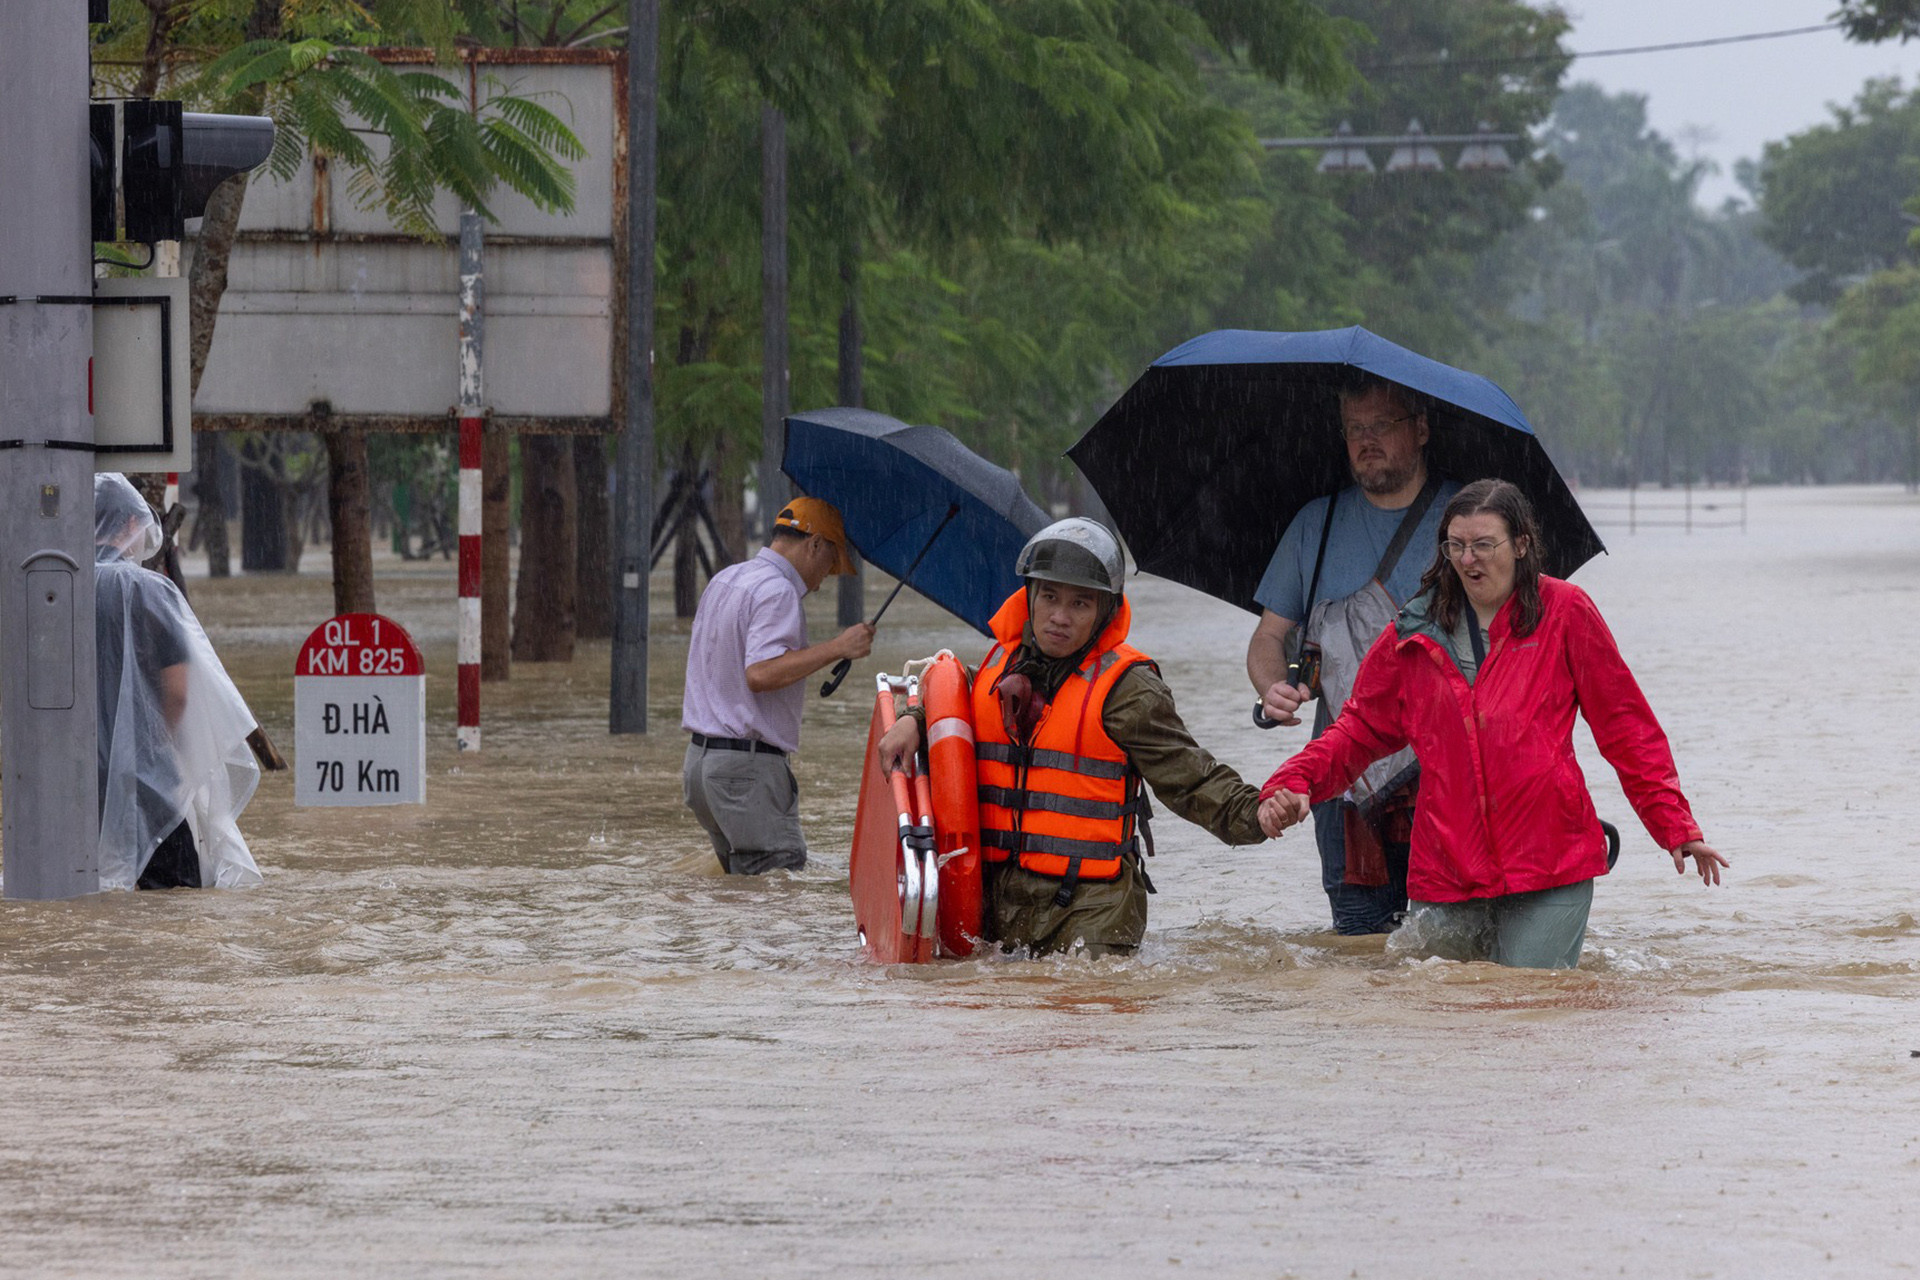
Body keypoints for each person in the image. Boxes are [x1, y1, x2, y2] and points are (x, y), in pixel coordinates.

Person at [1257, 479, 1728, 969]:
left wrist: (1676, 826)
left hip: (1551, 861)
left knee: (1528, 999)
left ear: (1521, 544)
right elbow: (1357, 732)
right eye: (1456, 546)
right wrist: (1292, 783)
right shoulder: (1411, 632)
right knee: (1446, 1008)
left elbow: (1627, 730)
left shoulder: (1566, 611)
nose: (1468, 559)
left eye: (1483, 545)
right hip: (1447, 868)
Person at [876, 518, 1270, 957]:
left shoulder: (1131, 690)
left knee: (1086, 997)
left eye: (1080, 603)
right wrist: (914, 718)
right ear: (1029, 596)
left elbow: (1192, 779)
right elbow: (954, 703)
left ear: (1106, 612)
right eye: (1049, 596)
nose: (1060, 617)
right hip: (1000, 910)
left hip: (1092, 910)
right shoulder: (995, 668)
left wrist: (1258, 813)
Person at [1245, 375, 1461, 935]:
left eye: (1381, 425)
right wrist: (1272, 688)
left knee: (1450, 950)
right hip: (1342, 785)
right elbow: (1268, 637)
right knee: (1360, 952)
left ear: (1421, 429)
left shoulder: (1466, 521)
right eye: (1354, 428)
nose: (1366, 440)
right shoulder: (1314, 526)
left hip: (1446, 777)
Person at [681, 497, 875, 875]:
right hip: (745, 770)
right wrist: (838, 647)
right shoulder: (778, 591)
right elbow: (761, 674)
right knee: (778, 884)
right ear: (814, 544)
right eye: (830, 563)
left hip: (701, 768)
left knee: (743, 893)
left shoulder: (726, 579)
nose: (823, 581)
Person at [94, 472, 263, 891]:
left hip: (68, 775)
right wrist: (164, 754)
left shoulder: (49, 591)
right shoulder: (151, 592)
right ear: (131, 523)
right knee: (174, 898)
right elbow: (178, 693)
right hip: (145, 775)